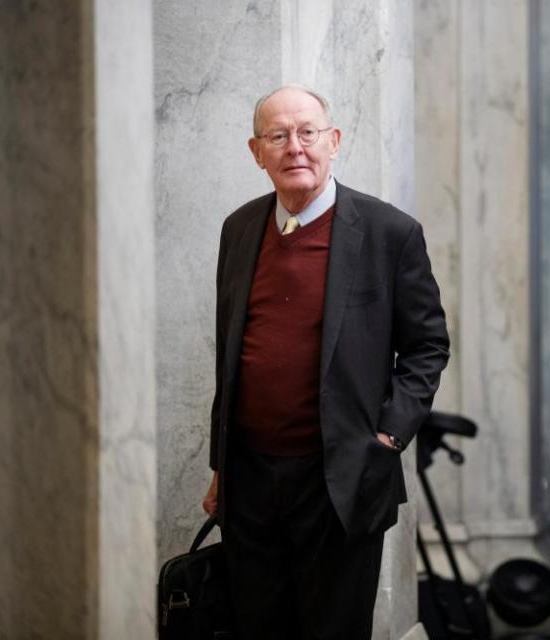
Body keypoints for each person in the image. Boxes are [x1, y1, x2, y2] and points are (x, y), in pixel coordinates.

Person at [200, 85, 450, 639]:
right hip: (251, 481)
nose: (295, 147)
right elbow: (231, 353)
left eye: (308, 132)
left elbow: (428, 345)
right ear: (256, 150)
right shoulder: (239, 229)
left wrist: (388, 436)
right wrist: (222, 463)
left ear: (333, 141)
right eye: (278, 136)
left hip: (341, 476)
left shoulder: (389, 233)